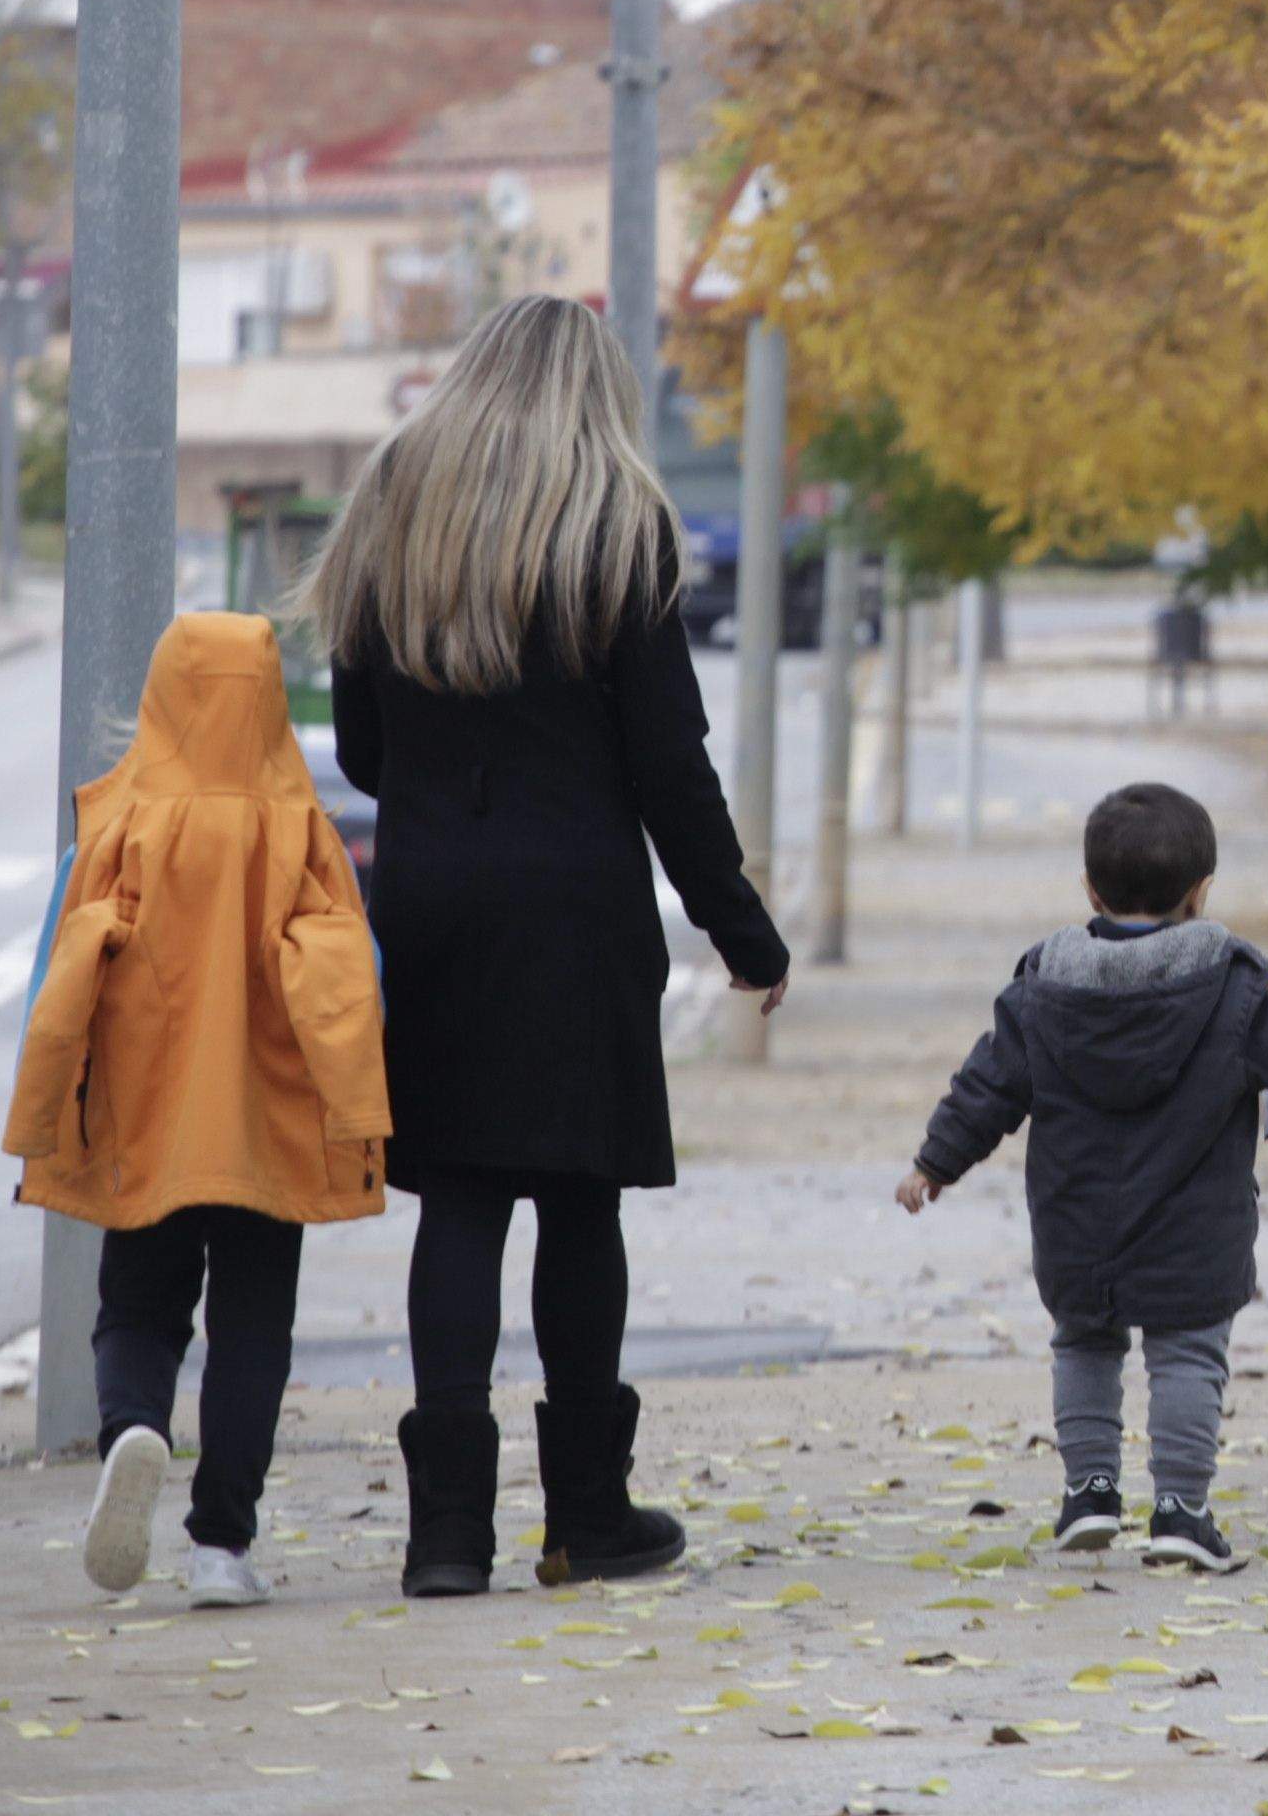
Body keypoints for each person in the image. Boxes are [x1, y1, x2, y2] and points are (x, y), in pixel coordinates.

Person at [304, 294, 789, 1599]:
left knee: (457, 1198)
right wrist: (740, 931)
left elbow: (357, 745)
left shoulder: (394, 499)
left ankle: (445, 1538)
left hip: (433, 900)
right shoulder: (615, 521)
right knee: (580, 1200)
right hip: (577, 905)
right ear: (596, 395)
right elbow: (667, 766)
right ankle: (587, 1518)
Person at [896, 782, 1268, 1573]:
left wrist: (934, 1161)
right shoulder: (1231, 987)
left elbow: (989, 1083)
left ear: (1090, 889)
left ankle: (1088, 1494)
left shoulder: (1043, 986)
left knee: (1083, 1344)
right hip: (1193, 1225)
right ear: (1201, 892)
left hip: (1075, 1222)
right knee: (1188, 1354)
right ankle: (1182, 1512)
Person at [3, 612, 390, 1609]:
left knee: (137, 1301)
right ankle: (222, 1541)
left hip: (148, 1116)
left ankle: (135, 1422)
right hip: (268, 1120)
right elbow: (360, 975)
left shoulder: (120, 823)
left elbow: (58, 968)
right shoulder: (306, 831)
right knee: (255, 1321)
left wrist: (50, 1099)